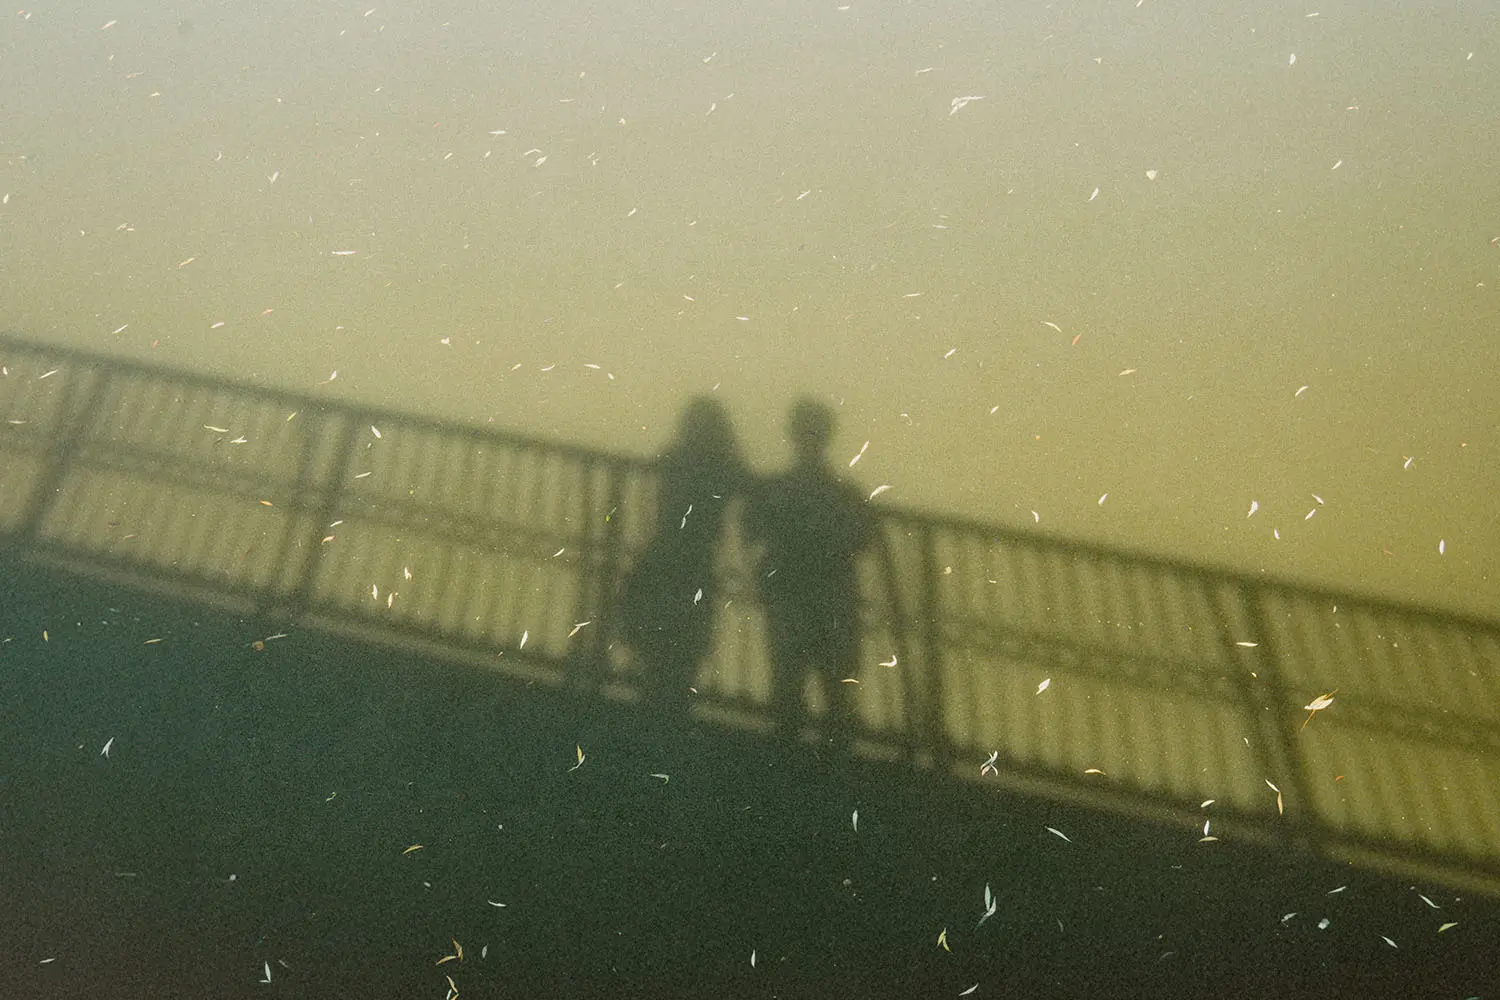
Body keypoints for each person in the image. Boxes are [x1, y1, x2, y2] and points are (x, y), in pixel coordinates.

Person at [745, 398, 875, 753]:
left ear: (793, 435)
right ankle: (834, 769)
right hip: (834, 598)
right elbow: (864, 538)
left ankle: (786, 763)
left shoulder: (776, 489)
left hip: (788, 595)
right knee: (836, 691)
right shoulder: (846, 495)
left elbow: (751, 527)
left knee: (788, 683)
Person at [618, 397, 745, 715]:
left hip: (661, 561)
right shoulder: (723, 466)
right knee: (684, 656)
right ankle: (671, 719)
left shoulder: (674, 458)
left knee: (656, 654)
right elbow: (750, 485)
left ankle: (652, 718)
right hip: (695, 569)